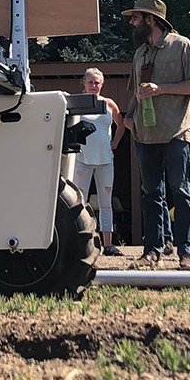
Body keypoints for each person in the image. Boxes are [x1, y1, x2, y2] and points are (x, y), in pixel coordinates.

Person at [121, 0, 190, 271]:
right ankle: (152, 251)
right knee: (151, 194)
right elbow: (136, 91)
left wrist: (162, 88)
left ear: (151, 19)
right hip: (144, 135)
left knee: (181, 192)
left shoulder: (182, 46)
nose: (132, 23)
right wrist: (128, 117)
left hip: (175, 133)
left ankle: (187, 252)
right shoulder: (139, 54)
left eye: (136, 18)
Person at [72, 67, 124, 257]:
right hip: (82, 160)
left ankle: (108, 244)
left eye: (98, 83)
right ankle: (81, 243)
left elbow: (121, 125)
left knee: (106, 203)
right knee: (80, 202)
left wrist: (115, 142)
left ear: (102, 85)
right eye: (91, 82)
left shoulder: (109, 103)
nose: (94, 86)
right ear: (84, 83)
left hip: (105, 160)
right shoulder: (77, 102)